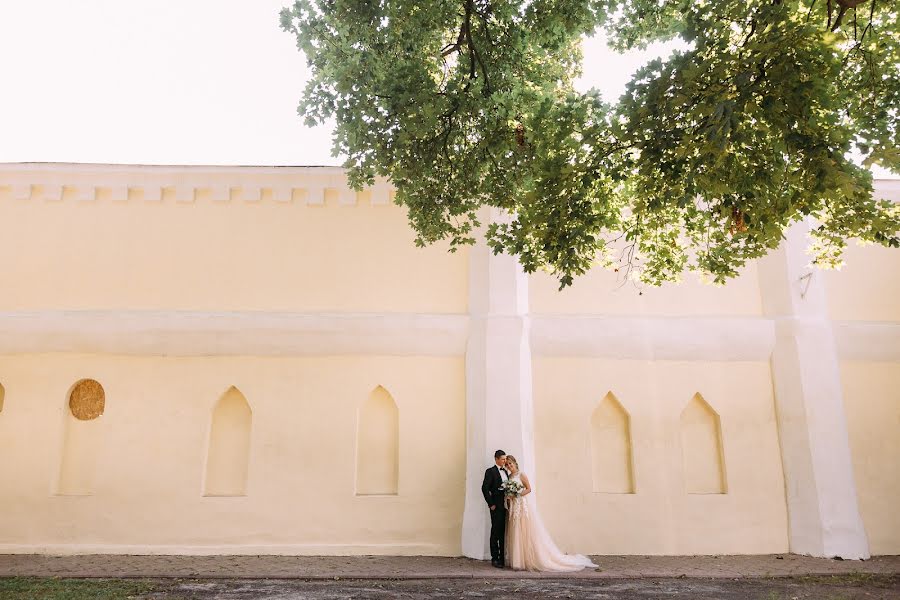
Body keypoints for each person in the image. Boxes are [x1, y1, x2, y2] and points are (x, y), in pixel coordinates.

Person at [503, 454, 597, 572]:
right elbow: (508, 491)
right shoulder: (509, 476)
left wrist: (517, 494)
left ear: (515, 463)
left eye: (510, 464)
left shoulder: (521, 474)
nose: (509, 466)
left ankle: (527, 560)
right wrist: (509, 496)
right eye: (507, 465)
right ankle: (517, 560)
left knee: (523, 529)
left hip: (522, 505)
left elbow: (529, 489)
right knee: (515, 529)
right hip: (514, 506)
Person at [480, 449, 509, 568]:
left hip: (506, 506)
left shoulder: (506, 471)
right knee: (495, 531)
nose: (504, 461)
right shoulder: (490, 471)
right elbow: (484, 488)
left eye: (505, 459)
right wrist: (491, 504)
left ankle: (502, 558)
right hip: (496, 507)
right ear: (496, 459)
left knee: (503, 531)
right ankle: (495, 558)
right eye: (502, 459)